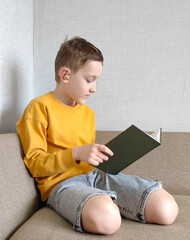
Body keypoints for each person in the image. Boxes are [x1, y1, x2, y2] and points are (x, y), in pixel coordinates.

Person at [16, 36, 178, 235]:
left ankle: (105, 201)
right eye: (89, 80)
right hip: (61, 185)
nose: (94, 88)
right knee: (107, 219)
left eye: (96, 81)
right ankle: (101, 204)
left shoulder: (87, 113)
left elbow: (86, 159)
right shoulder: (38, 108)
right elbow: (34, 164)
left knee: (166, 208)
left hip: (96, 176)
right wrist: (75, 153)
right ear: (65, 75)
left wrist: (99, 155)